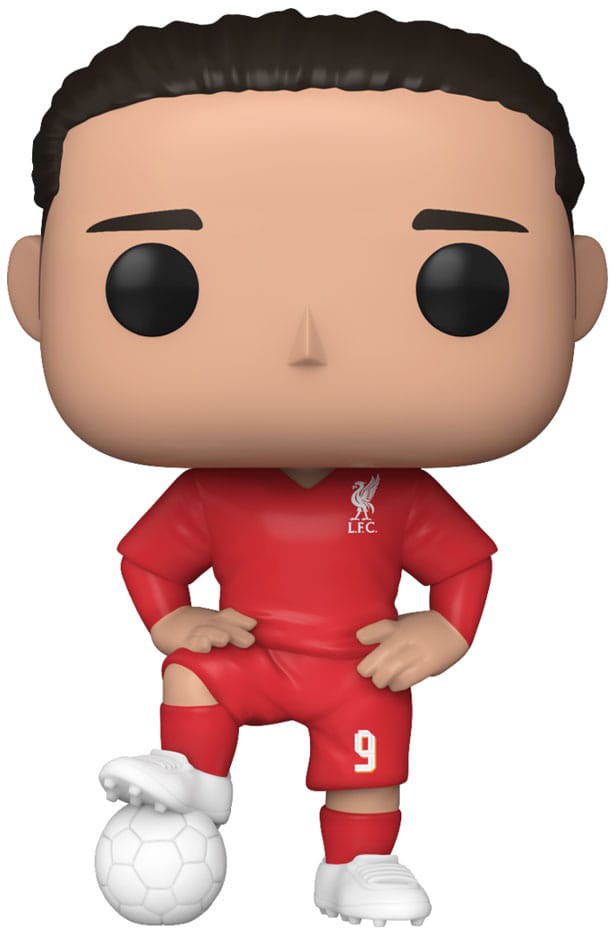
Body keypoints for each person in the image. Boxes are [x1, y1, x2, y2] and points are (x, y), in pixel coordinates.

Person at [8, 10, 607, 925]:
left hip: (359, 665)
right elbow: (147, 561)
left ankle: (357, 865)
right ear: (35, 291)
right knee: (190, 675)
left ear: (579, 291)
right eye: (156, 284)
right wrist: (174, 620)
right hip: (245, 653)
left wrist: (444, 634)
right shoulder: (212, 491)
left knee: (368, 770)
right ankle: (196, 772)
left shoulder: (397, 494)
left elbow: (464, 564)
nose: (306, 344)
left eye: (460, 284)